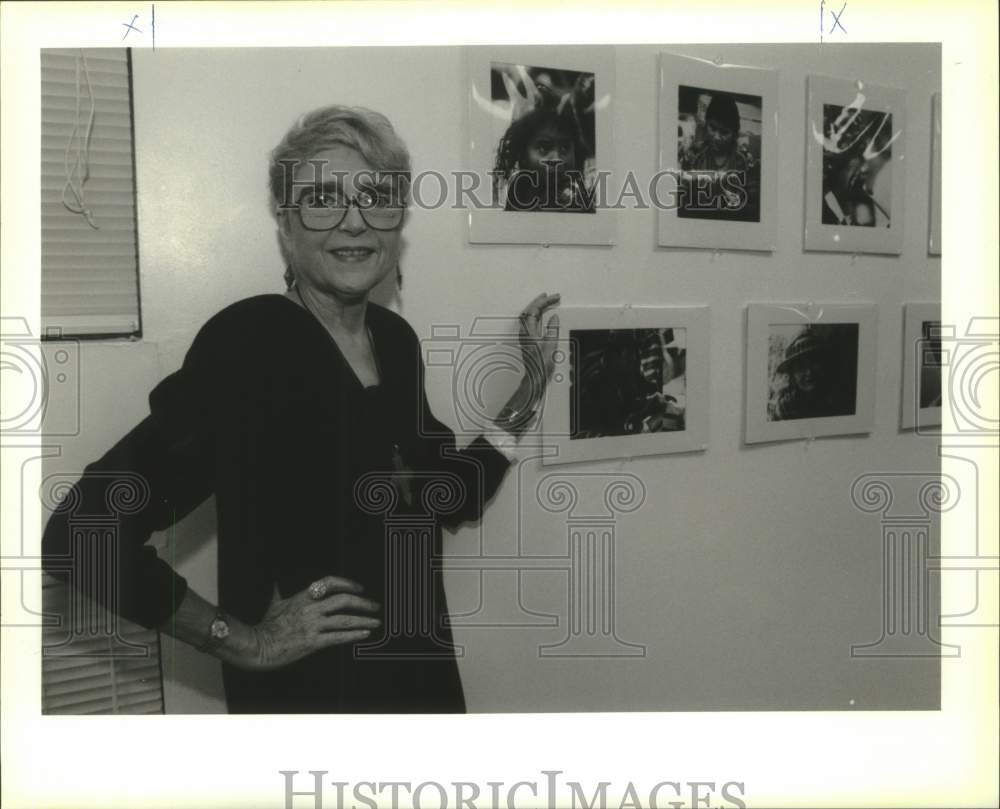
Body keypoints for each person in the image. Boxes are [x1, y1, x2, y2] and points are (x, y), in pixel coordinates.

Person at [41, 105, 560, 713]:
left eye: (377, 197)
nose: (354, 223)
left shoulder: (394, 341)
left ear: (399, 223)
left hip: (418, 682)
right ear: (286, 224)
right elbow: (82, 533)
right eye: (322, 199)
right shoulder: (252, 343)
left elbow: (446, 492)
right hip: (311, 703)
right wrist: (246, 642)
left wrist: (527, 393)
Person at [493, 87, 595, 213]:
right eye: (543, 148)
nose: (557, 158)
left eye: (565, 148)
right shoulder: (519, 192)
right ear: (522, 156)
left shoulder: (580, 200)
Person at [678, 91, 760, 222]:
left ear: (734, 134)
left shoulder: (745, 161)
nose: (716, 137)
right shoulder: (693, 155)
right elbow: (682, 198)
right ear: (706, 124)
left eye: (724, 132)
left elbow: (754, 205)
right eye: (713, 128)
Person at [768, 328, 849, 422]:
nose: (809, 372)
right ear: (792, 375)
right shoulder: (784, 410)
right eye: (800, 367)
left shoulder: (839, 400)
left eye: (814, 362)